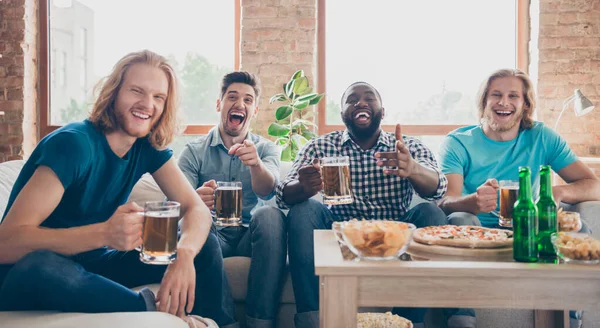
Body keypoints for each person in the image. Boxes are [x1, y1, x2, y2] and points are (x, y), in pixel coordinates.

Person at [0, 50, 238, 328]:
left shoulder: (147, 146)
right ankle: (150, 310)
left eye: (158, 97)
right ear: (113, 93)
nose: (147, 104)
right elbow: (7, 244)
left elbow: (194, 207)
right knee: (42, 265)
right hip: (33, 274)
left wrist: (184, 255)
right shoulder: (73, 145)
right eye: (136, 91)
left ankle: (220, 324)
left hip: (97, 265)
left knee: (201, 243)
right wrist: (104, 233)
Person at [276, 81, 448, 328]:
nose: (361, 102)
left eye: (369, 97)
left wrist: (413, 169)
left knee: (431, 212)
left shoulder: (405, 147)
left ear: (382, 111)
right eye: (352, 99)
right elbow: (282, 195)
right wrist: (303, 187)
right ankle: (312, 321)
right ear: (343, 113)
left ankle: (408, 322)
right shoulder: (320, 146)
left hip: (395, 236)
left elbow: (439, 188)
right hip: (338, 234)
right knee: (304, 210)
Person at [438, 68, 600, 328]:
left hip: (531, 230)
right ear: (484, 102)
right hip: (478, 234)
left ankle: (570, 317)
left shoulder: (542, 136)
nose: (504, 102)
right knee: (459, 216)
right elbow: (445, 201)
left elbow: (594, 185)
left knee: (579, 226)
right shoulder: (458, 142)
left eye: (513, 96)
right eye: (496, 95)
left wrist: (557, 192)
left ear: (525, 105)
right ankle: (462, 319)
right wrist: (472, 201)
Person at [178, 71, 286, 328]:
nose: (240, 104)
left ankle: (259, 322)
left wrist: (256, 165)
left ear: (255, 110)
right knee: (198, 225)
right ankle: (223, 323)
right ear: (219, 104)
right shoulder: (194, 151)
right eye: (232, 97)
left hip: (252, 235)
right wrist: (195, 200)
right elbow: (176, 204)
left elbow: (268, 191)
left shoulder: (266, 149)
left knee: (270, 215)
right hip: (214, 233)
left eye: (248, 100)